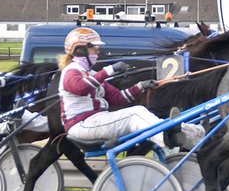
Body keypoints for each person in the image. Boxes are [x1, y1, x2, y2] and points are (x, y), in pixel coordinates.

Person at [58, 27, 204, 150]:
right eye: (94, 49)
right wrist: (109, 71)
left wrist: (141, 86)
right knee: (135, 114)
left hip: (95, 121)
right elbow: (80, 88)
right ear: (80, 50)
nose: (97, 52)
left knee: (144, 114)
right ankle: (166, 138)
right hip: (81, 125)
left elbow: (117, 98)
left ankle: (197, 135)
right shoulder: (71, 71)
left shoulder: (91, 74)